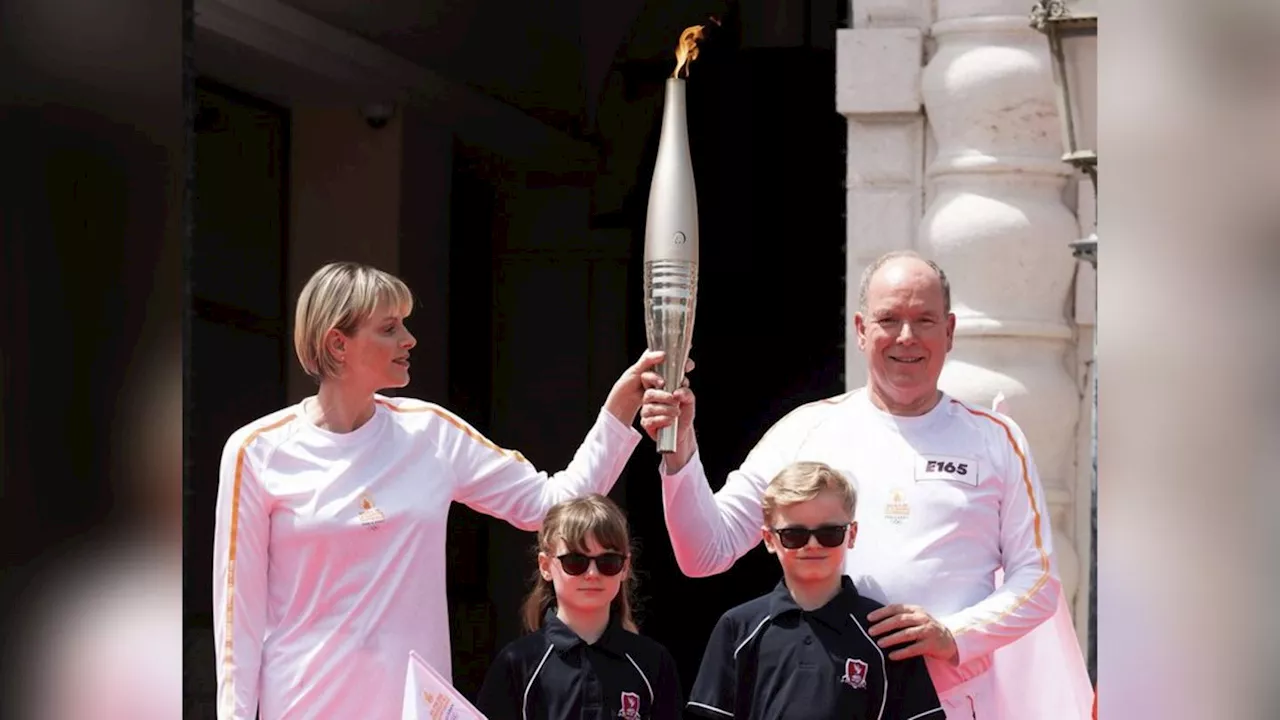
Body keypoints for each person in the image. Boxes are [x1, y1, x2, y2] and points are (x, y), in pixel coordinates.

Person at [212, 262, 661, 720]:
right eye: (389, 328)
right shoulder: (257, 451)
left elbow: (550, 506)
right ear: (337, 343)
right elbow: (237, 622)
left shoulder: (431, 433)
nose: (408, 339)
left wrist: (619, 410)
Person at [639, 250, 1069, 718]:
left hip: (954, 701)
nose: (906, 337)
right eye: (889, 319)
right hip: (831, 702)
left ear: (948, 331)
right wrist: (680, 450)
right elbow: (706, 551)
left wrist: (954, 634)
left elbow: (1039, 579)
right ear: (862, 329)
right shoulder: (805, 430)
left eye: (924, 320)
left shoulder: (994, 439)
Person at [687, 461, 942, 720]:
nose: (812, 545)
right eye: (794, 534)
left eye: (829, 533)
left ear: (851, 534)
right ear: (769, 539)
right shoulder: (739, 627)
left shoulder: (885, 632)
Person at [476, 493, 683, 720]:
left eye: (608, 562)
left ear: (625, 567)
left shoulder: (653, 662)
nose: (592, 574)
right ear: (546, 566)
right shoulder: (517, 663)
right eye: (575, 561)